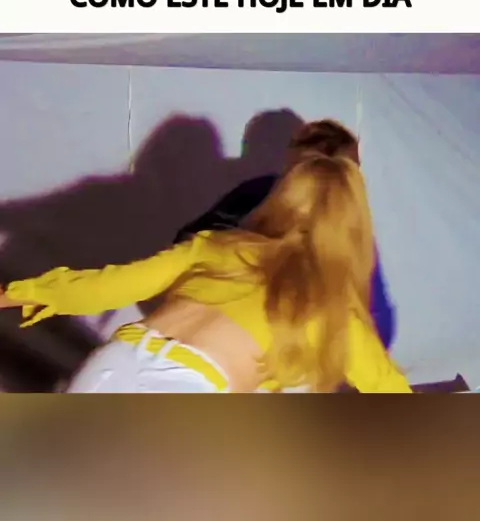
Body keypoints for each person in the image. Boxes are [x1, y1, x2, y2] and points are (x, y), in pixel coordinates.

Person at [0, 154, 412, 393]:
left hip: (114, 361)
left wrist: (20, 292)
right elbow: (388, 389)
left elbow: (110, 283)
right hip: (189, 385)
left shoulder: (220, 246)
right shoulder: (335, 309)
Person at [176, 118, 397, 350]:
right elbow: (188, 243)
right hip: (223, 331)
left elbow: (377, 324)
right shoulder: (257, 192)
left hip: (294, 349)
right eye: (295, 170)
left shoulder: (350, 230)